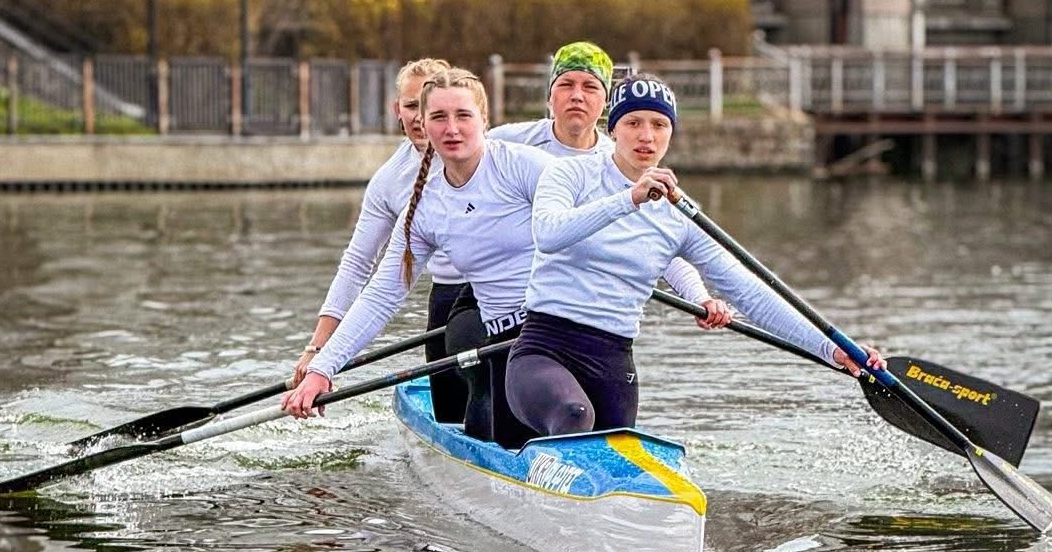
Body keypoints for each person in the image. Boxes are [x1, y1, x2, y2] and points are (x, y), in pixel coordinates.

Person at [284, 69, 734, 447]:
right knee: (522, 425)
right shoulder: (422, 208)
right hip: (506, 342)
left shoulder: (527, 168)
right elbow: (382, 296)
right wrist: (323, 369)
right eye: (439, 117)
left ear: (485, 120)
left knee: (593, 428)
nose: (452, 128)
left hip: (566, 330)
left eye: (463, 115)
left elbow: (637, 235)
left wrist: (697, 294)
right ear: (422, 124)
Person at [505, 75, 883, 440]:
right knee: (575, 415)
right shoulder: (569, 174)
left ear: (671, 133)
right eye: (634, 122)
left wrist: (831, 348)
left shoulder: (678, 214)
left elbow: (751, 293)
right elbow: (549, 234)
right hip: (545, 348)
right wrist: (630, 199)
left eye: (659, 124)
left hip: (612, 361)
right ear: (613, 128)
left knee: (616, 448)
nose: (646, 136)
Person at [293, 55, 474, 423]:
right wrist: (318, 350)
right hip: (449, 303)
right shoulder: (391, 181)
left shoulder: (496, 154)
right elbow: (360, 265)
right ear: (398, 110)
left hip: (509, 296)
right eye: (412, 106)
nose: (421, 117)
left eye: (431, 107)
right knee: (460, 420)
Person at [493, 40, 617, 158]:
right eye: (566, 85)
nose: (577, 96)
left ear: (606, 100)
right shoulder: (506, 144)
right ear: (550, 96)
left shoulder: (615, 160)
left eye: (590, 87)